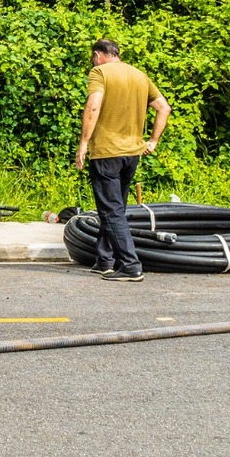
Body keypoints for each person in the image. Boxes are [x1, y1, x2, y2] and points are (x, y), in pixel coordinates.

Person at [74, 38, 171, 282]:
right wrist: (153, 141)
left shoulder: (99, 73)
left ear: (98, 55)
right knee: (115, 208)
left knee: (111, 211)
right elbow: (164, 108)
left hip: (107, 152)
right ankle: (104, 260)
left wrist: (83, 144)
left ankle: (130, 265)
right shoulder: (139, 75)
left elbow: (93, 106)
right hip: (132, 154)